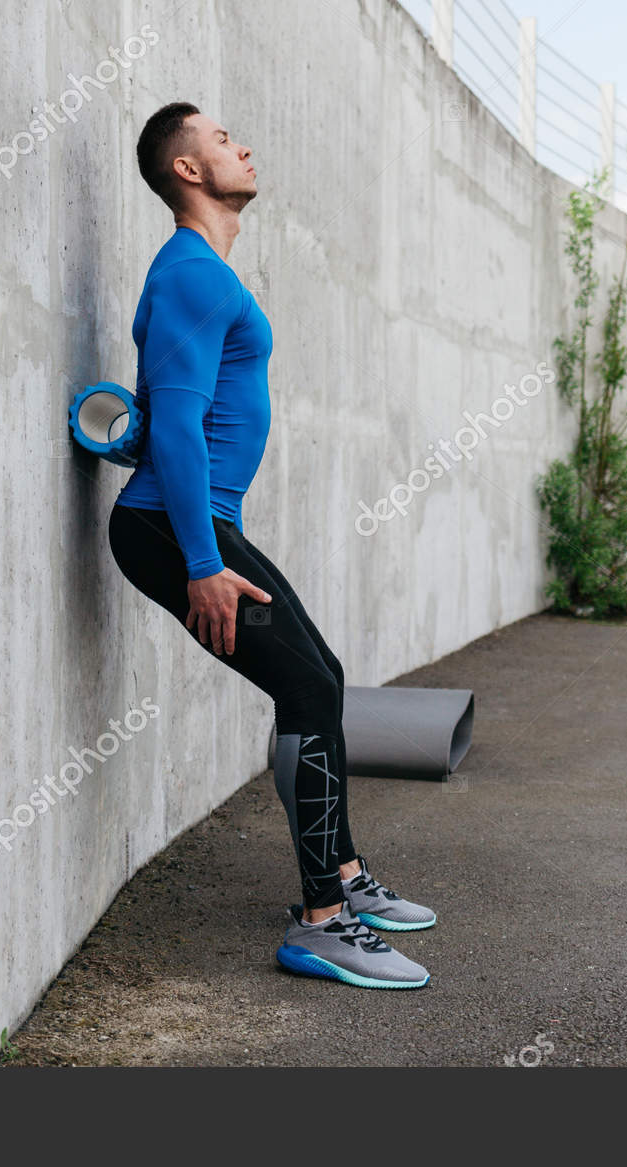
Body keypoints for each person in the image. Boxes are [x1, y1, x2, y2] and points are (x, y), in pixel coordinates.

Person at [107, 102, 436, 989]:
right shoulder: (191, 273)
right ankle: (323, 920)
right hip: (176, 531)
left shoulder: (203, 272)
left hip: (202, 519)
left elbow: (167, 413)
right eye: (220, 140)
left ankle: (344, 881)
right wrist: (204, 566)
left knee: (318, 676)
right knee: (303, 682)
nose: (242, 146)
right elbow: (176, 423)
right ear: (186, 171)